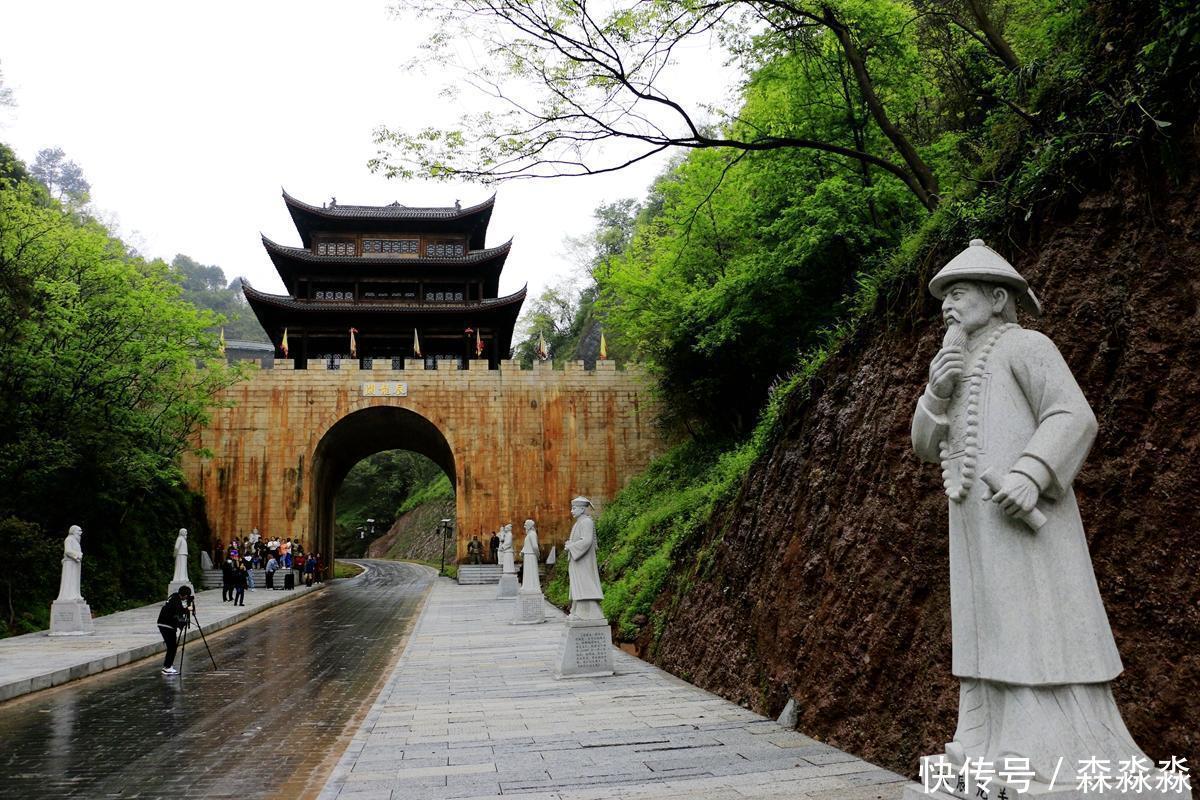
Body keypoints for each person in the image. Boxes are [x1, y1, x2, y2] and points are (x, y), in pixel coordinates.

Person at [911, 240, 1146, 783]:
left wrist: (1031, 473)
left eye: (959, 292)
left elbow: (1072, 415)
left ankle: (1044, 740)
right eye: (944, 295)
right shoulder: (950, 366)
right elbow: (924, 445)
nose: (947, 304)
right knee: (984, 619)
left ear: (997, 298)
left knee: (1033, 622)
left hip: (1025, 517)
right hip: (974, 524)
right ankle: (983, 731)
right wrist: (936, 394)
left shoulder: (1026, 347)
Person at [157, 585, 192, 675]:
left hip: (164, 623)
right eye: (186, 596)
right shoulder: (176, 600)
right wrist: (187, 609)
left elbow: (177, 611)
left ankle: (167, 666)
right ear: (184, 595)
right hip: (167, 625)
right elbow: (178, 613)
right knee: (172, 647)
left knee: (172, 646)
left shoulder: (174, 596)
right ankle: (167, 667)